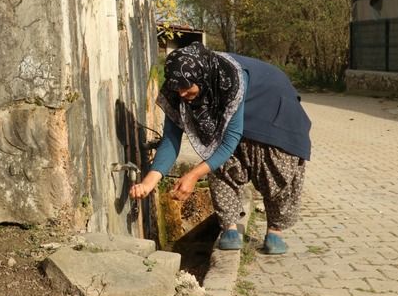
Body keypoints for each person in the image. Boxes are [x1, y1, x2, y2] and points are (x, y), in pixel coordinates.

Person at [129, 43, 311, 254]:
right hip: (241, 111)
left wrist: (194, 175)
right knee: (222, 165)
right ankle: (230, 231)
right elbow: (171, 137)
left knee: (277, 169)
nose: (182, 93)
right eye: (177, 88)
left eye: (188, 87)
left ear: (202, 77)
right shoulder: (177, 90)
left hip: (274, 107)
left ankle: (275, 232)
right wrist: (149, 182)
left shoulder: (228, 79)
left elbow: (230, 140)